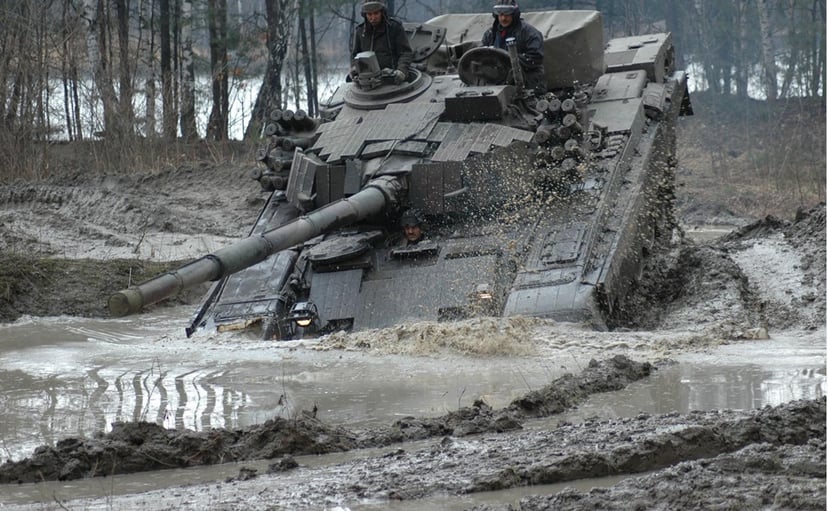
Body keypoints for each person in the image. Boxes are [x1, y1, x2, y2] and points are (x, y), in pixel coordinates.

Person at [481, 0, 546, 94]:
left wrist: (508, 59)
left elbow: (536, 58)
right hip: (497, 85)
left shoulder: (529, 33)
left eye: (507, 15)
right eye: (500, 14)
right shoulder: (490, 34)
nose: (503, 18)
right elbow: (481, 55)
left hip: (527, 85)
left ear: (514, 15)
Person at [351, 0, 413, 84]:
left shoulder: (394, 27)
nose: (373, 18)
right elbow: (355, 55)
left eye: (376, 13)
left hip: (392, 78)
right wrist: (354, 68)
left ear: (382, 12)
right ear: (365, 15)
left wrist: (401, 70)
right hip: (368, 81)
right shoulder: (360, 31)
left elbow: (405, 52)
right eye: (369, 14)